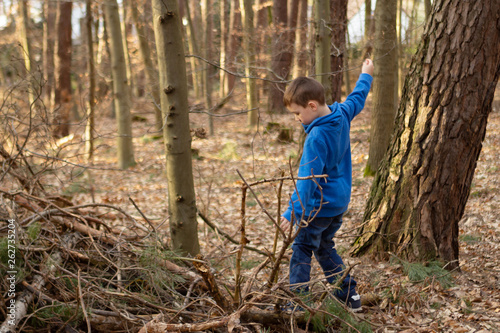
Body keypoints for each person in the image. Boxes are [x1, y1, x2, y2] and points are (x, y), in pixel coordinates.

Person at [280, 59, 374, 312]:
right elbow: (358, 98)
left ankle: (298, 303)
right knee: (324, 247)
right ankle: (349, 296)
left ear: (312, 105)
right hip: (338, 204)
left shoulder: (317, 137)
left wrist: (292, 211)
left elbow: (307, 179)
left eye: (298, 113)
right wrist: (366, 75)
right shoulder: (341, 113)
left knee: (301, 248)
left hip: (318, 207)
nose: (298, 119)